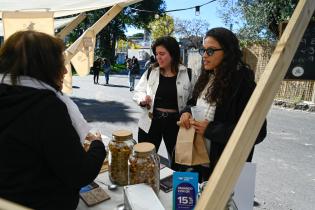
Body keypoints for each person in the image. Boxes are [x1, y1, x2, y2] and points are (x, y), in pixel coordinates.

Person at [0, 31, 106, 210]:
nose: (65, 70)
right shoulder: (46, 107)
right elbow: (79, 173)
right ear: (43, 66)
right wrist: (97, 145)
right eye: (60, 63)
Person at [179, 27, 267, 182]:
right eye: (203, 50)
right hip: (199, 159)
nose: (204, 56)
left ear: (227, 52)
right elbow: (193, 102)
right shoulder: (206, 77)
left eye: (211, 51)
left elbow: (257, 133)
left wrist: (211, 130)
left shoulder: (243, 83)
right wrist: (186, 112)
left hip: (224, 166)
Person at [133, 36, 196, 166]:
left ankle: (175, 186)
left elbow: (194, 99)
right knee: (145, 161)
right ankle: (145, 185)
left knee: (179, 162)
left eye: (162, 54)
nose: (158, 57)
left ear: (172, 54)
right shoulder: (151, 71)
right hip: (151, 121)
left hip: (176, 123)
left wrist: (188, 111)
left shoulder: (188, 74)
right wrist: (142, 99)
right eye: (156, 54)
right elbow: (138, 91)